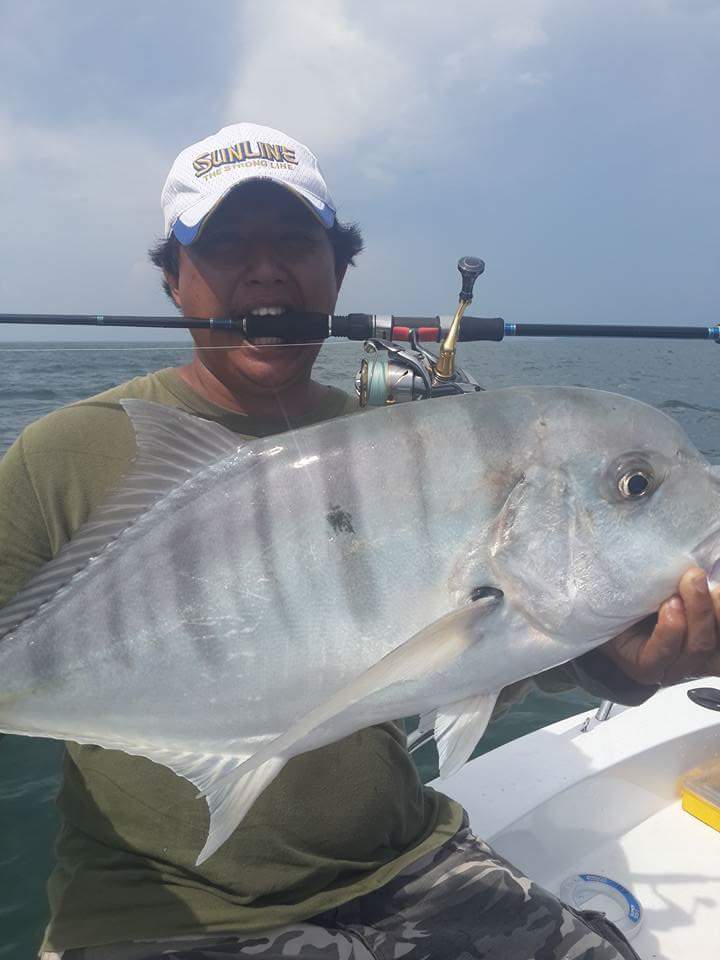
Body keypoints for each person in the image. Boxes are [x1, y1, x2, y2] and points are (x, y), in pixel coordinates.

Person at [0, 122, 718, 960]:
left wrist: (623, 665)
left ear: (338, 272)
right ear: (172, 279)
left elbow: (486, 644)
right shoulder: (65, 453)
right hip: (158, 914)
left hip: (409, 864)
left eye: (296, 241)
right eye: (226, 242)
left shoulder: (395, 440)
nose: (265, 267)